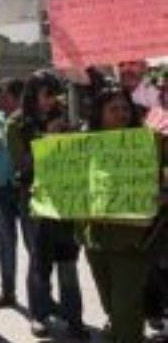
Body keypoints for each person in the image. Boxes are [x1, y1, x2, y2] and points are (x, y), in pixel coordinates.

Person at [8, 70, 89, 339]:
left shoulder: (67, 117)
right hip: (34, 199)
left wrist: (74, 134)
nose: (52, 100)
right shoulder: (16, 124)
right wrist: (46, 139)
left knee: (68, 262)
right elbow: (20, 166)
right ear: (33, 95)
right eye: (47, 94)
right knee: (38, 261)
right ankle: (39, 315)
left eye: (56, 94)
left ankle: (74, 318)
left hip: (65, 198)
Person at [77, 86, 154, 343]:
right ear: (99, 113)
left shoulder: (145, 140)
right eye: (114, 109)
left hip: (132, 240)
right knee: (111, 303)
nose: (121, 114)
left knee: (126, 307)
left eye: (125, 108)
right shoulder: (82, 141)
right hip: (95, 238)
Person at [0, 78, 24, 308]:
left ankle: (42, 297)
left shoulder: (27, 121)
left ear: (16, 97)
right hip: (1, 191)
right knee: (5, 243)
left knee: (34, 245)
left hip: (25, 190)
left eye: (3, 94)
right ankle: (8, 292)